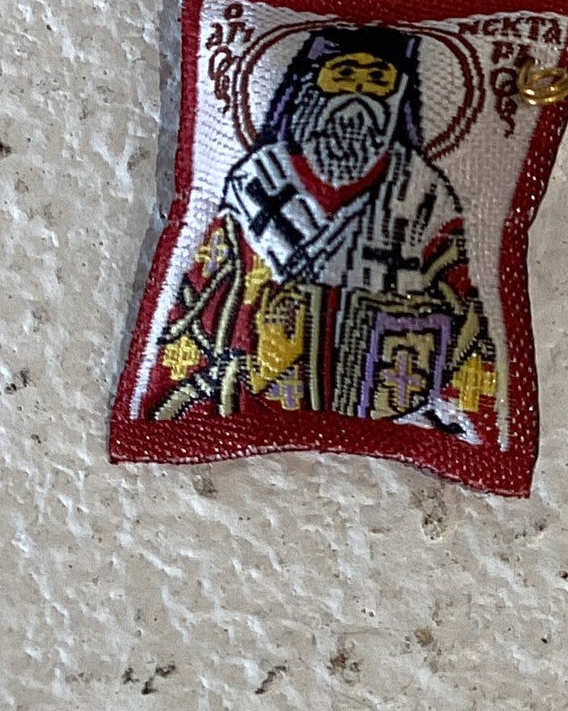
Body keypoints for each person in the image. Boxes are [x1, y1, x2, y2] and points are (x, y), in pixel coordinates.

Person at [151, 25, 498, 441]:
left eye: (377, 79)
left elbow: (462, 303)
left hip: (395, 399)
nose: (359, 94)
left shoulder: (424, 192)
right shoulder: (256, 181)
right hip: (260, 396)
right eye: (343, 74)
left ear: (397, 97)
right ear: (309, 87)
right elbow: (201, 296)